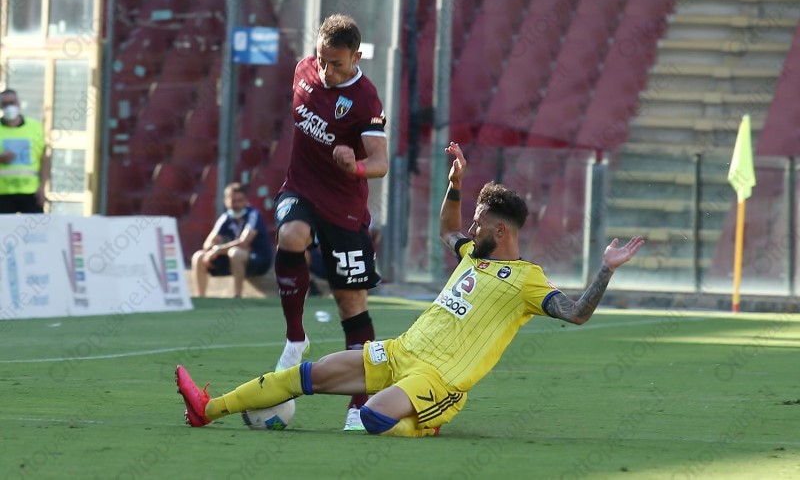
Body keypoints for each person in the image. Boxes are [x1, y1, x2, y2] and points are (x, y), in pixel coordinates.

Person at [176, 142, 645, 437]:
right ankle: (208, 409)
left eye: (479, 223)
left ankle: (430, 422)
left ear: (501, 231)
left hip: (439, 379)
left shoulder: (527, 279)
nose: (471, 229)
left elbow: (577, 313)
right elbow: (447, 230)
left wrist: (605, 270)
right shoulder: (472, 254)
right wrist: (456, 185)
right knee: (308, 374)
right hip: (400, 351)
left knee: (374, 418)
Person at [271, 13, 389, 430]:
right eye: (321, 59)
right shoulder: (303, 71)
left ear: (356, 57)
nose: (325, 70)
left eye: (336, 63)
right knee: (291, 235)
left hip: (344, 208)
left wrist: (355, 166)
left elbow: (381, 163)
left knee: (350, 304)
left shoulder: (366, 99)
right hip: (301, 189)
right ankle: (295, 337)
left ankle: (360, 403)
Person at [191, 182, 274, 298]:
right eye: (233, 201)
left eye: (240, 201)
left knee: (235, 253)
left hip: (258, 260)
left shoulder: (254, 214)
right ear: (226, 201)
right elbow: (209, 243)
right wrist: (212, 251)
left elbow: (244, 242)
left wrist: (218, 249)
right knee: (199, 256)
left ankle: (237, 296)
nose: (237, 204)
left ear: (246, 201)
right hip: (233, 259)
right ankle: (201, 298)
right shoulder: (226, 217)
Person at [0, 89, 49, 214]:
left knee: (36, 226)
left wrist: (43, 187)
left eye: (12, 102)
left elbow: (44, 158)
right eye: (5, 104)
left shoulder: (35, 127)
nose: (9, 107)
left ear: (18, 103)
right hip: (3, 193)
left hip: (31, 192)